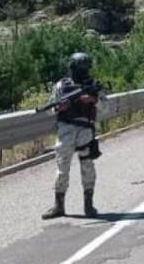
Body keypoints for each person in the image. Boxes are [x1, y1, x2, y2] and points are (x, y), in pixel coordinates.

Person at [42, 53, 103, 219]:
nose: (83, 72)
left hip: (85, 131)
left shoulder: (93, 85)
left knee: (87, 167)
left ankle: (88, 205)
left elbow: (106, 106)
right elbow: (50, 108)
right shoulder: (62, 85)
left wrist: (92, 100)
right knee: (62, 169)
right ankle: (59, 206)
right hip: (66, 130)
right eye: (80, 68)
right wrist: (58, 108)